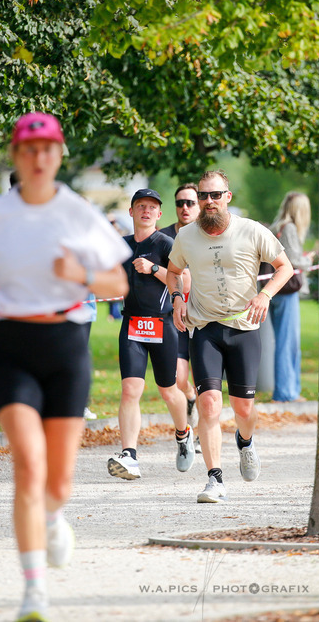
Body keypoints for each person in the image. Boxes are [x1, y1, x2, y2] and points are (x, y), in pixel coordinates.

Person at [0, 112, 130, 622]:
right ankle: (33, 592)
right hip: (12, 343)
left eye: (48, 150)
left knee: (56, 483)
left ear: (59, 156)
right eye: (28, 150)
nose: (38, 159)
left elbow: (119, 285)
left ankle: (55, 517)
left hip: (65, 345)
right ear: (16, 155)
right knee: (28, 465)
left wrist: (78, 274)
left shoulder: (78, 214)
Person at [165, 169, 293, 503]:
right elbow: (174, 272)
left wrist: (264, 295)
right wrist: (178, 298)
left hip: (245, 329)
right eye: (203, 196)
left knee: (244, 408)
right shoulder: (187, 237)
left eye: (215, 195)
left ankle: (246, 442)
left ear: (228, 197)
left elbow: (285, 267)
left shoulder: (251, 231)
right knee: (208, 404)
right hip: (204, 329)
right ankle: (214, 479)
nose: (209, 202)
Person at [107, 188, 196, 480]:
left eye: (152, 207)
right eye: (140, 206)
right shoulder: (120, 246)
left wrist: (154, 268)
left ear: (159, 215)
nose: (146, 211)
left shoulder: (167, 243)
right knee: (131, 389)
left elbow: (185, 280)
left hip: (163, 325)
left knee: (169, 391)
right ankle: (129, 455)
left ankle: (183, 435)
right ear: (131, 212)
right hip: (132, 324)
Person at [159, 183, 201, 428]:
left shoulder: (207, 233)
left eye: (190, 203)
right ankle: (190, 400)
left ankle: (198, 432)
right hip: (175, 315)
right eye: (180, 203)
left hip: (205, 315)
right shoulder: (164, 236)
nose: (184, 208)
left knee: (207, 381)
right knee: (181, 378)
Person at [268, 191, 313, 402]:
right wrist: (309, 259)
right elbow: (294, 260)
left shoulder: (277, 227)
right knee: (288, 343)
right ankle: (286, 392)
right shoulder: (291, 229)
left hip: (275, 289)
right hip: (287, 291)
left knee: (284, 341)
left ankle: (287, 389)